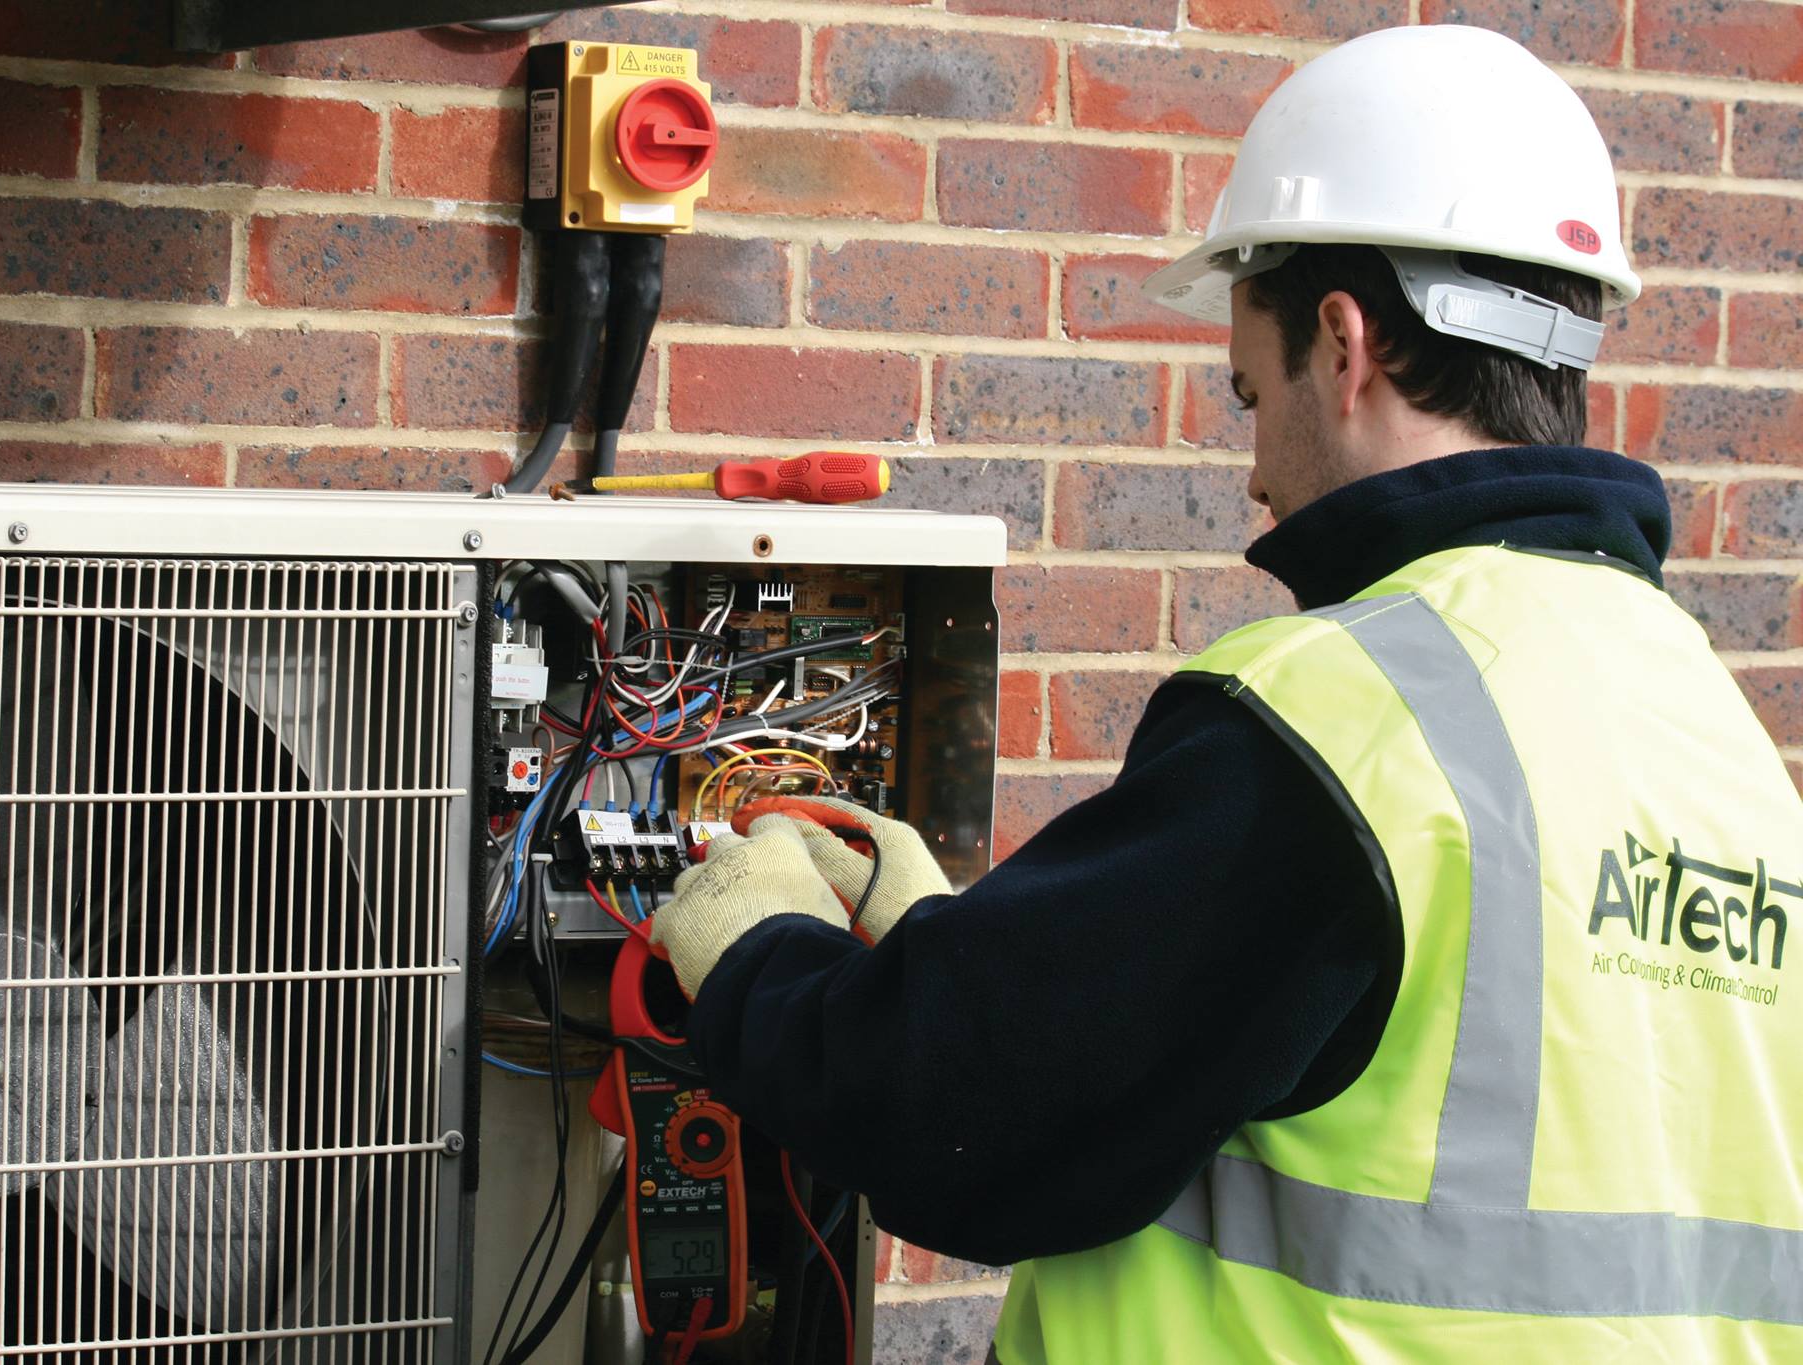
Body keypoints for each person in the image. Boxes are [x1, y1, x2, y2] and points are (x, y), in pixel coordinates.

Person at [651, 24, 1803, 1362]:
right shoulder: (1719, 741)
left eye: (1251, 392)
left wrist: (758, 954)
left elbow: (954, 1118)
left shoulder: (1347, 720)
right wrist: (959, 947)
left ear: (1344, 342)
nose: (1254, 473)